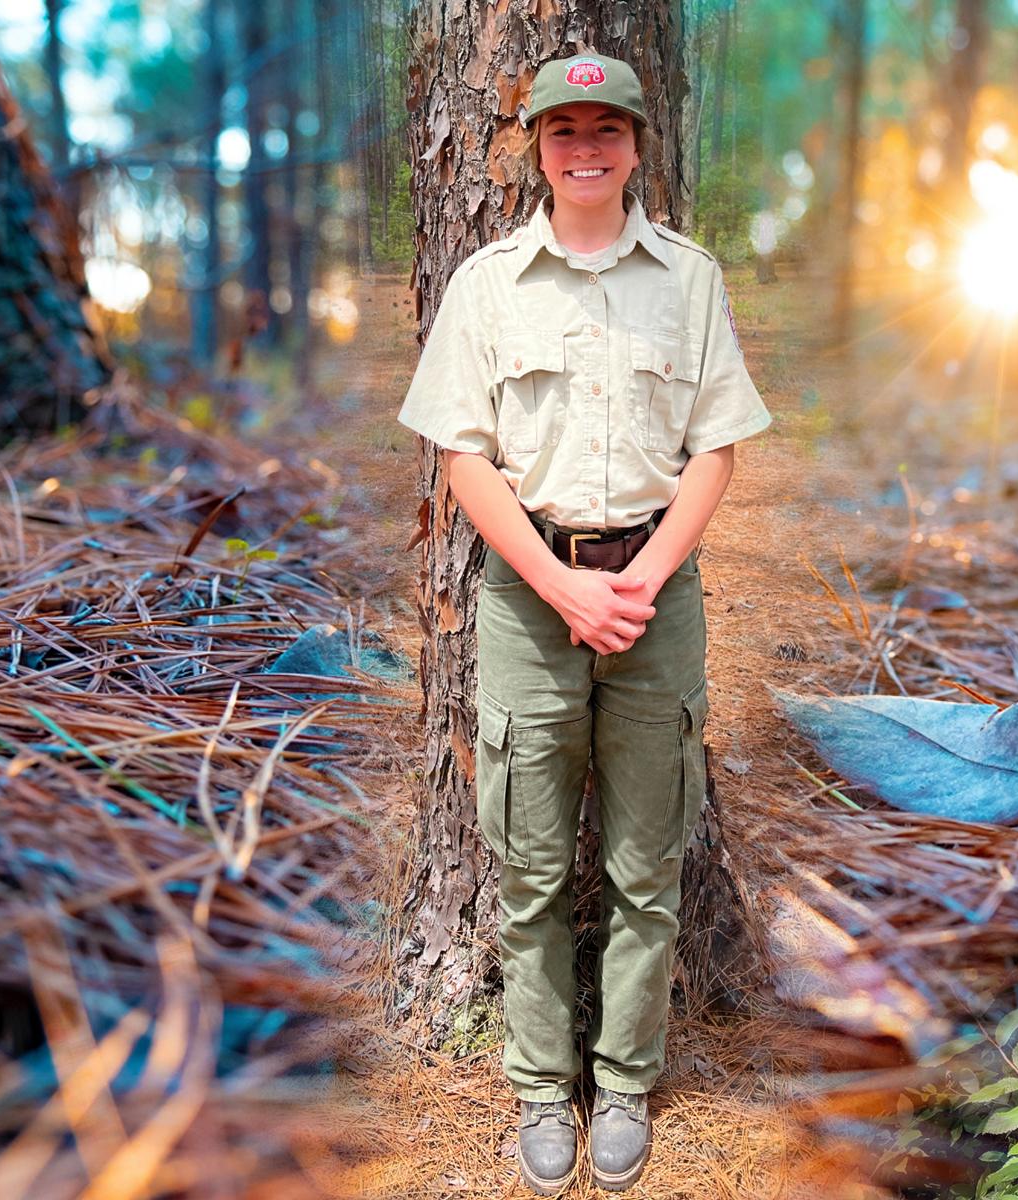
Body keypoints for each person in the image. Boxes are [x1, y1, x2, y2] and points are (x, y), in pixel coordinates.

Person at [395, 51, 770, 1195]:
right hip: (527, 593)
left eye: (608, 129)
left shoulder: (690, 281)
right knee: (529, 863)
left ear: (638, 146)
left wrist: (641, 581)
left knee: (648, 860)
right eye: (566, 132)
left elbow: (715, 448)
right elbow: (463, 454)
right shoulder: (489, 285)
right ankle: (537, 1087)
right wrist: (563, 588)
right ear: (539, 149)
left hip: (656, 594)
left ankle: (622, 1084)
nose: (587, 150)